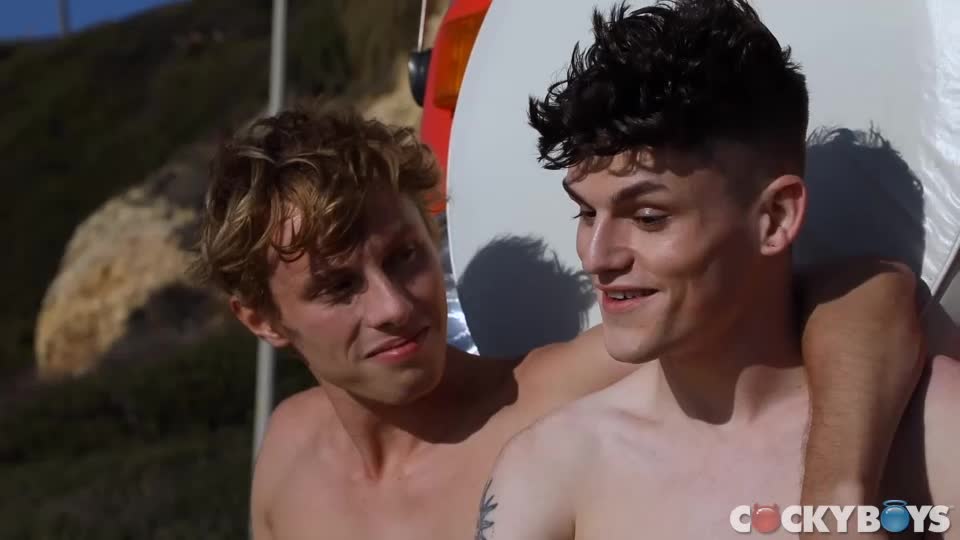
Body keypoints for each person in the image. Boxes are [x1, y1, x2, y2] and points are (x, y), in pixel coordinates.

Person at [191, 100, 923, 540]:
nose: (394, 306)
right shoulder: (289, 451)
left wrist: (836, 499)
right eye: (338, 287)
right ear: (262, 320)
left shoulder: (548, 399)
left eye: (405, 256)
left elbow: (867, 290)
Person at [478, 1, 958, 539]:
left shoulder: (932, 433)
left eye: (649, 217)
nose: (597, 256)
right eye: (587, 213)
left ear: (774, 218)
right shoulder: (552, 469)